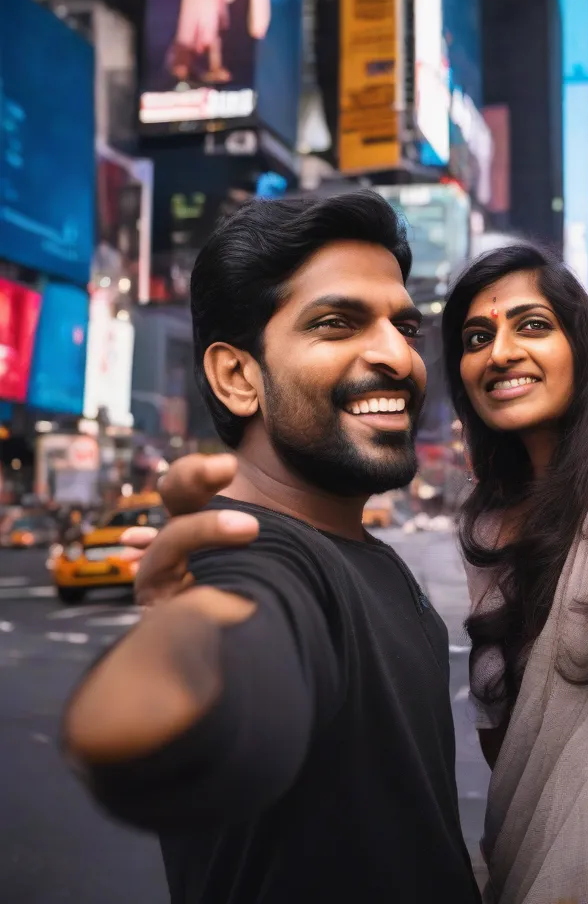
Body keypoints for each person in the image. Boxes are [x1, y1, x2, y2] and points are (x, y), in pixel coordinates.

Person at [127, 243, 588, 903]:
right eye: (477, 338)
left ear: (583, 350)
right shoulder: (485, 539)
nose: (500, 352)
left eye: (532, 326)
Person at [61, 193, 482, 904]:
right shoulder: (255, 555)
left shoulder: (367, 553)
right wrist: (179, 681)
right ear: (238, 377)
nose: (397, 355)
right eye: (336, 323)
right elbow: (241, 659)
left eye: (402, 326)